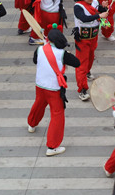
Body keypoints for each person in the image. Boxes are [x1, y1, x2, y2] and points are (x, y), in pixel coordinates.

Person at [27, 26, 81, 156]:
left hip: (40, 84)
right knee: (57, 115)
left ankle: (32, 124)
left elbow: (35, 61)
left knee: (39, 104)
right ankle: (52, 146)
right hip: (54, 88)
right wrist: (66, 54)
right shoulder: (62, 54)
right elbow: (77, 63)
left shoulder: (39, 49)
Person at [72, 0, 108, 102]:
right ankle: (82, 89)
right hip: (83, 38)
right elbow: (83, 18)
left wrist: (104, 8)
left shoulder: (95, 1)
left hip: (93, 36)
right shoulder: (78, 6)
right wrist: (99, 15)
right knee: (81, 64)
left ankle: (87, 72)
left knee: (91, 57)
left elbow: (99, 10)